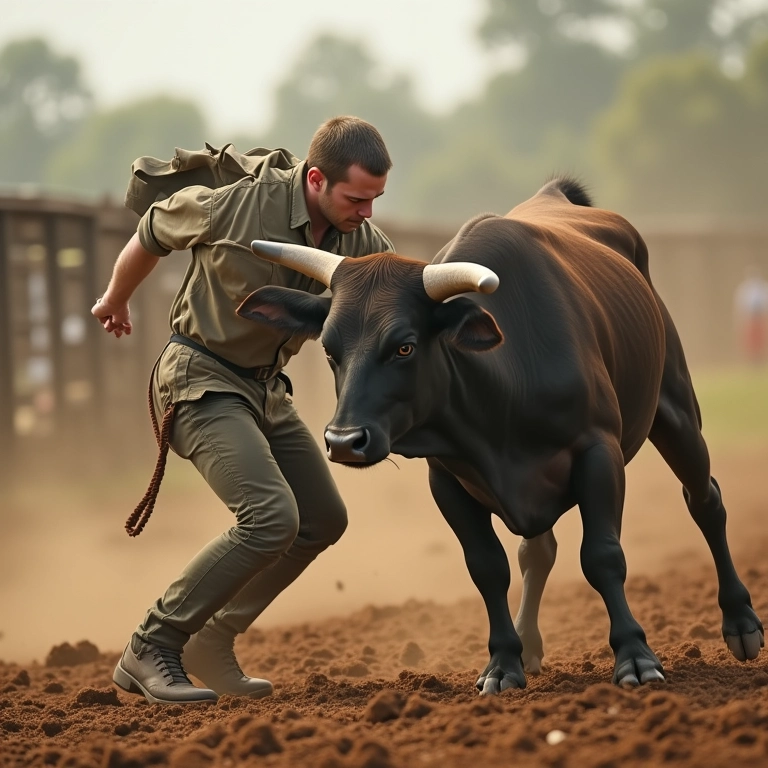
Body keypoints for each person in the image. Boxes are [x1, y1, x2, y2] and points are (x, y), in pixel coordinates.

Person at [92, 116, 394, 704]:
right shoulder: (235, 206)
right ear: (315, 180)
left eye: (376, 199)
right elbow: (152, 231)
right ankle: (152, 645)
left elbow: (400, 295)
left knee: (321, 520)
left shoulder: (362, 244)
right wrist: (114, 300)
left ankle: (212, 638)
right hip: (198, 377)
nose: (368, 213)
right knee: (270, 517)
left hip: (267, 391)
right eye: (357, 198)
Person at [733, 264, 768, 366]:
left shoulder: (763, 288)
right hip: (750, 318)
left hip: (760, 317)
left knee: (760, 339)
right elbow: (741, 305)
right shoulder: (745, 289)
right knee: (750, 340)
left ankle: (760, 359)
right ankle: (752, 360)